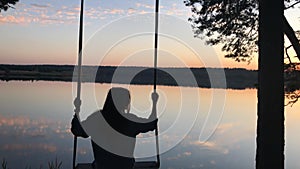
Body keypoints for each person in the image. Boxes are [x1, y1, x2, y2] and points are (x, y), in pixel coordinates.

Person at [71, 87, 158, 169]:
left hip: (102, 166)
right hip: (125, 166)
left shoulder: (96, 119)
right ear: (124, 103)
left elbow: (78, 130)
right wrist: (154, 103)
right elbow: (151, 124)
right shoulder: (130, 121)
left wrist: (76, 112)